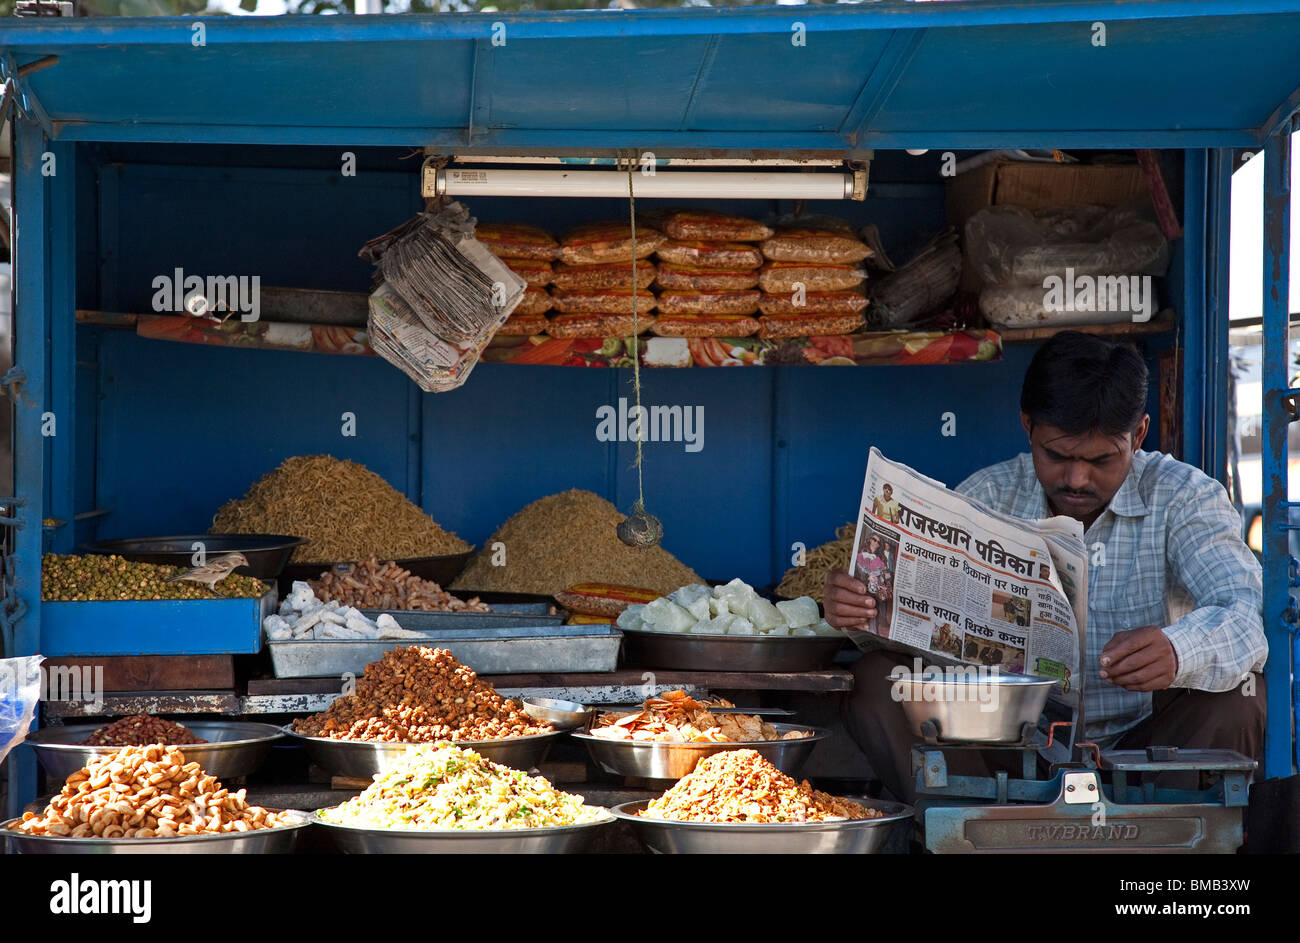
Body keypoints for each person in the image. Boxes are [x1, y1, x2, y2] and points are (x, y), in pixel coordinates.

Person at [829, 331, 1267, 803]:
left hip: (1148, 750)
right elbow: (923, 639)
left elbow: (1246, 612)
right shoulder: (989, 496)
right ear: (1027, 426)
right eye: (1056, 455)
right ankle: (969, 832)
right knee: (877, 679)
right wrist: (860, 611)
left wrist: (1178, 651)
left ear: (1138, 435)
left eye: (1101, 460)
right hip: (1002, 747)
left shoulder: (1184, 496)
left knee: (1243, 696)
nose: (1077, 479)